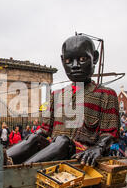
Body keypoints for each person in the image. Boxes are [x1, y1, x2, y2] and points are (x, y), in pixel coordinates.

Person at [7, 35, 120, 166]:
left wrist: (99, 147)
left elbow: (109, 133)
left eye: (83, 59)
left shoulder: (106, 95)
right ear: (62, 60)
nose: (75, 66)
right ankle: (2, 161)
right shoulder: (56, 95)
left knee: (62, 141)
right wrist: (30, 140)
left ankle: (23, 171)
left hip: (81, 153)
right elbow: (43, 131)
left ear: (94, 57)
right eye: (69, 61)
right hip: (54, 150)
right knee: (35, 138)